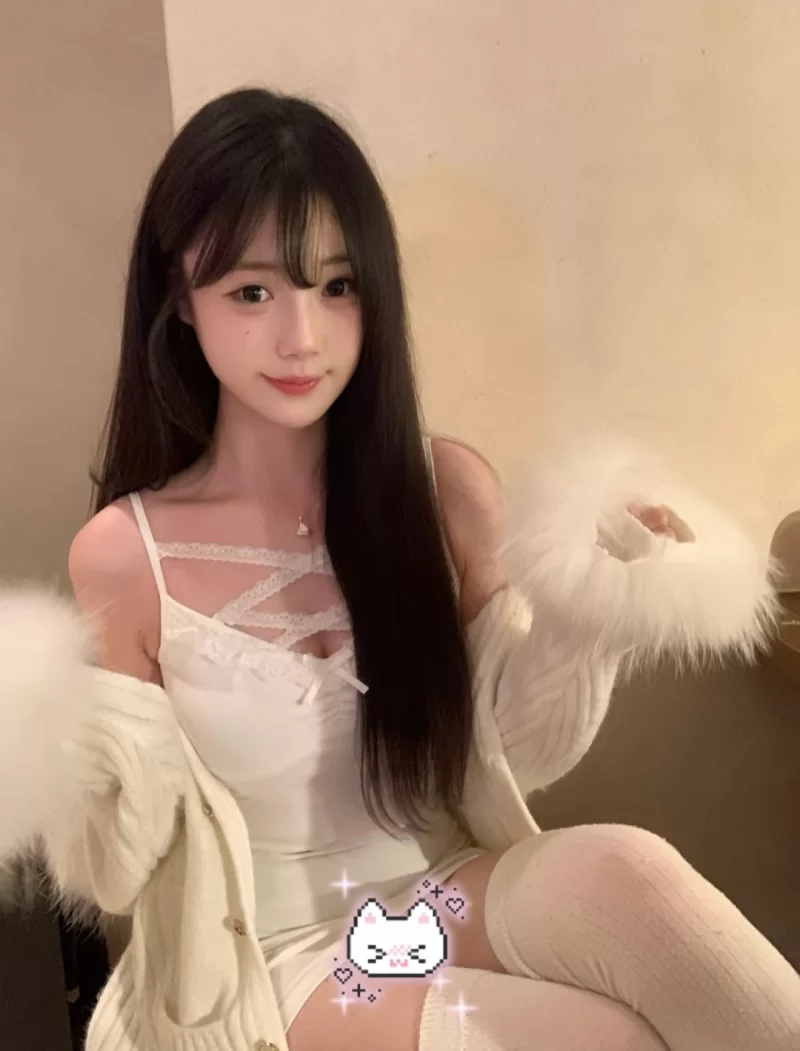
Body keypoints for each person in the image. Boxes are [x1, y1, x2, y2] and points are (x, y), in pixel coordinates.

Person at [0, 87, 798, 1051]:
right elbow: (117, 874)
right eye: (253, 292)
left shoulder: (444, 490)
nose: (302, 336)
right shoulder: (128, 555)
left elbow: (516, 751)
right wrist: (68, 747)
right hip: (270, 948)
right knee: (603, 1036)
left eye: (337, 286)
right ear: (180, 296)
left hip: (439, 890)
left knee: (635, 873)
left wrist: (594, 606)